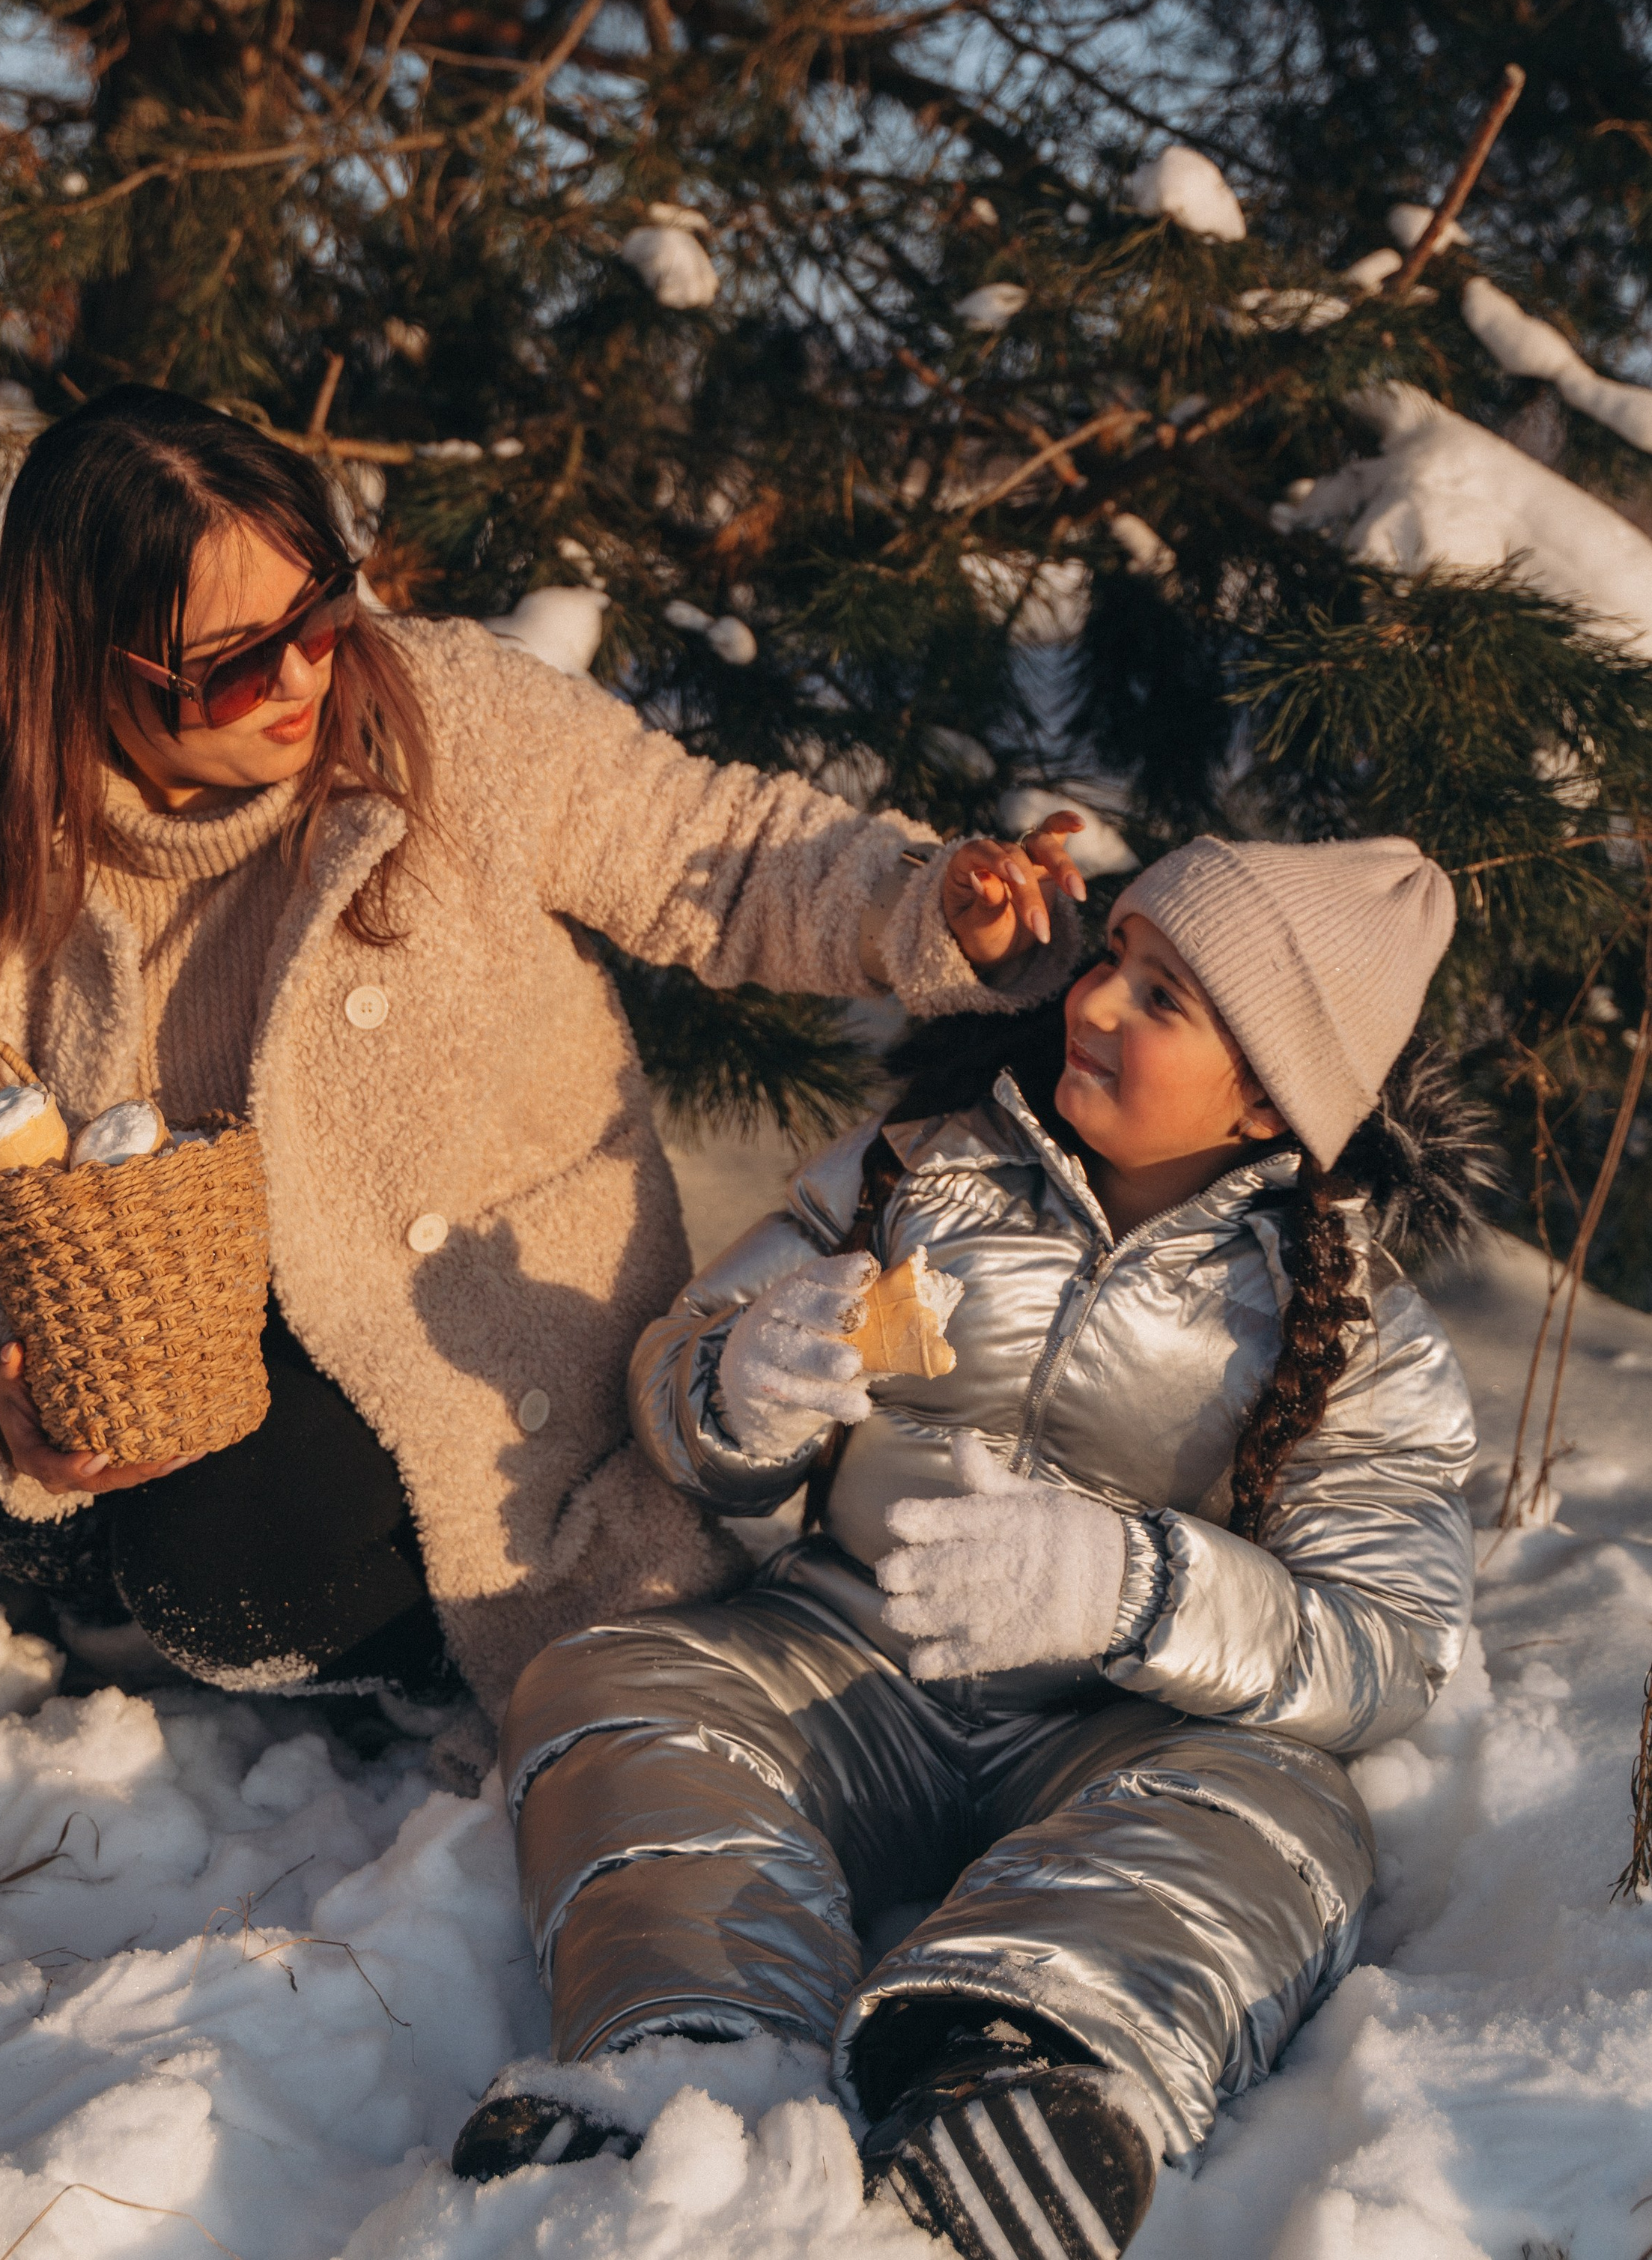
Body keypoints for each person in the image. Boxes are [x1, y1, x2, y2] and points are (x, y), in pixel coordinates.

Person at [0, 384, 1078, 1747]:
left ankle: (370, 1647)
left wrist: (930, 906)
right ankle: (112, 1599)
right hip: (156, 1337)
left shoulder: (446, 717)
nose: (302, 676)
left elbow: (719, 850)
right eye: (237, 663)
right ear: (88, 668)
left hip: (451, 1331)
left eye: (319, 612)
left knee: (233, 1554)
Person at [458, 835, 1485, 2258]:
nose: (1097, 1002)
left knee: (1288, 1821)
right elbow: (674, 1375)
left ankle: (1015, 2062)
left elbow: (1385, 1642)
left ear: (1269, 1097)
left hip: (1114, 1730)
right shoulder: (917, 1170)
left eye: (1163, 997)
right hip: (840, 1663)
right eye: (1113, 956)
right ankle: (697, 2040)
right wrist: (738, 1385)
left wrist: (1130, 1586)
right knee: (610, 1684)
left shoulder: (1353, 1332)